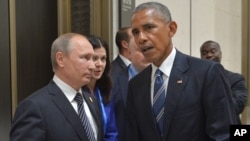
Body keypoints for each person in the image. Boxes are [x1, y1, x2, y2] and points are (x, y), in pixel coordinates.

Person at [125, 2, 237, 141]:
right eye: (136, 32)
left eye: (149, 28)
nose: (141, 38)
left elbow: (225, 134)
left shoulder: (207, 73)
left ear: (171, 29)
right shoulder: (136, 85)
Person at [10, 33, 104, 141]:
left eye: (92, 58)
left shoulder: (92, 101)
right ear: (60, 59)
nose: (92, 66)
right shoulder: (35, 107)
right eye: (85, 58)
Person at [111, 27, 150, 141]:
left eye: (148, 50)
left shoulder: (161, 79)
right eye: (142, 51)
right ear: (129, 52)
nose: (146, 55)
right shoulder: (113, 80)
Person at [200, 40, 248, 123]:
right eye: (204, 53)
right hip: (202, 132)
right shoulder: (196, 80)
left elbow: (237, 107)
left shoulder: (236, 79)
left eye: (213, 51)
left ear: (220, 54)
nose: (209, 55)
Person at [87, 35, 118, 141]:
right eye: (94, 58)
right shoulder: (76, 91)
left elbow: (112, 131)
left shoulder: (105, 89)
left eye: (103, 59)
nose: (99, 64)